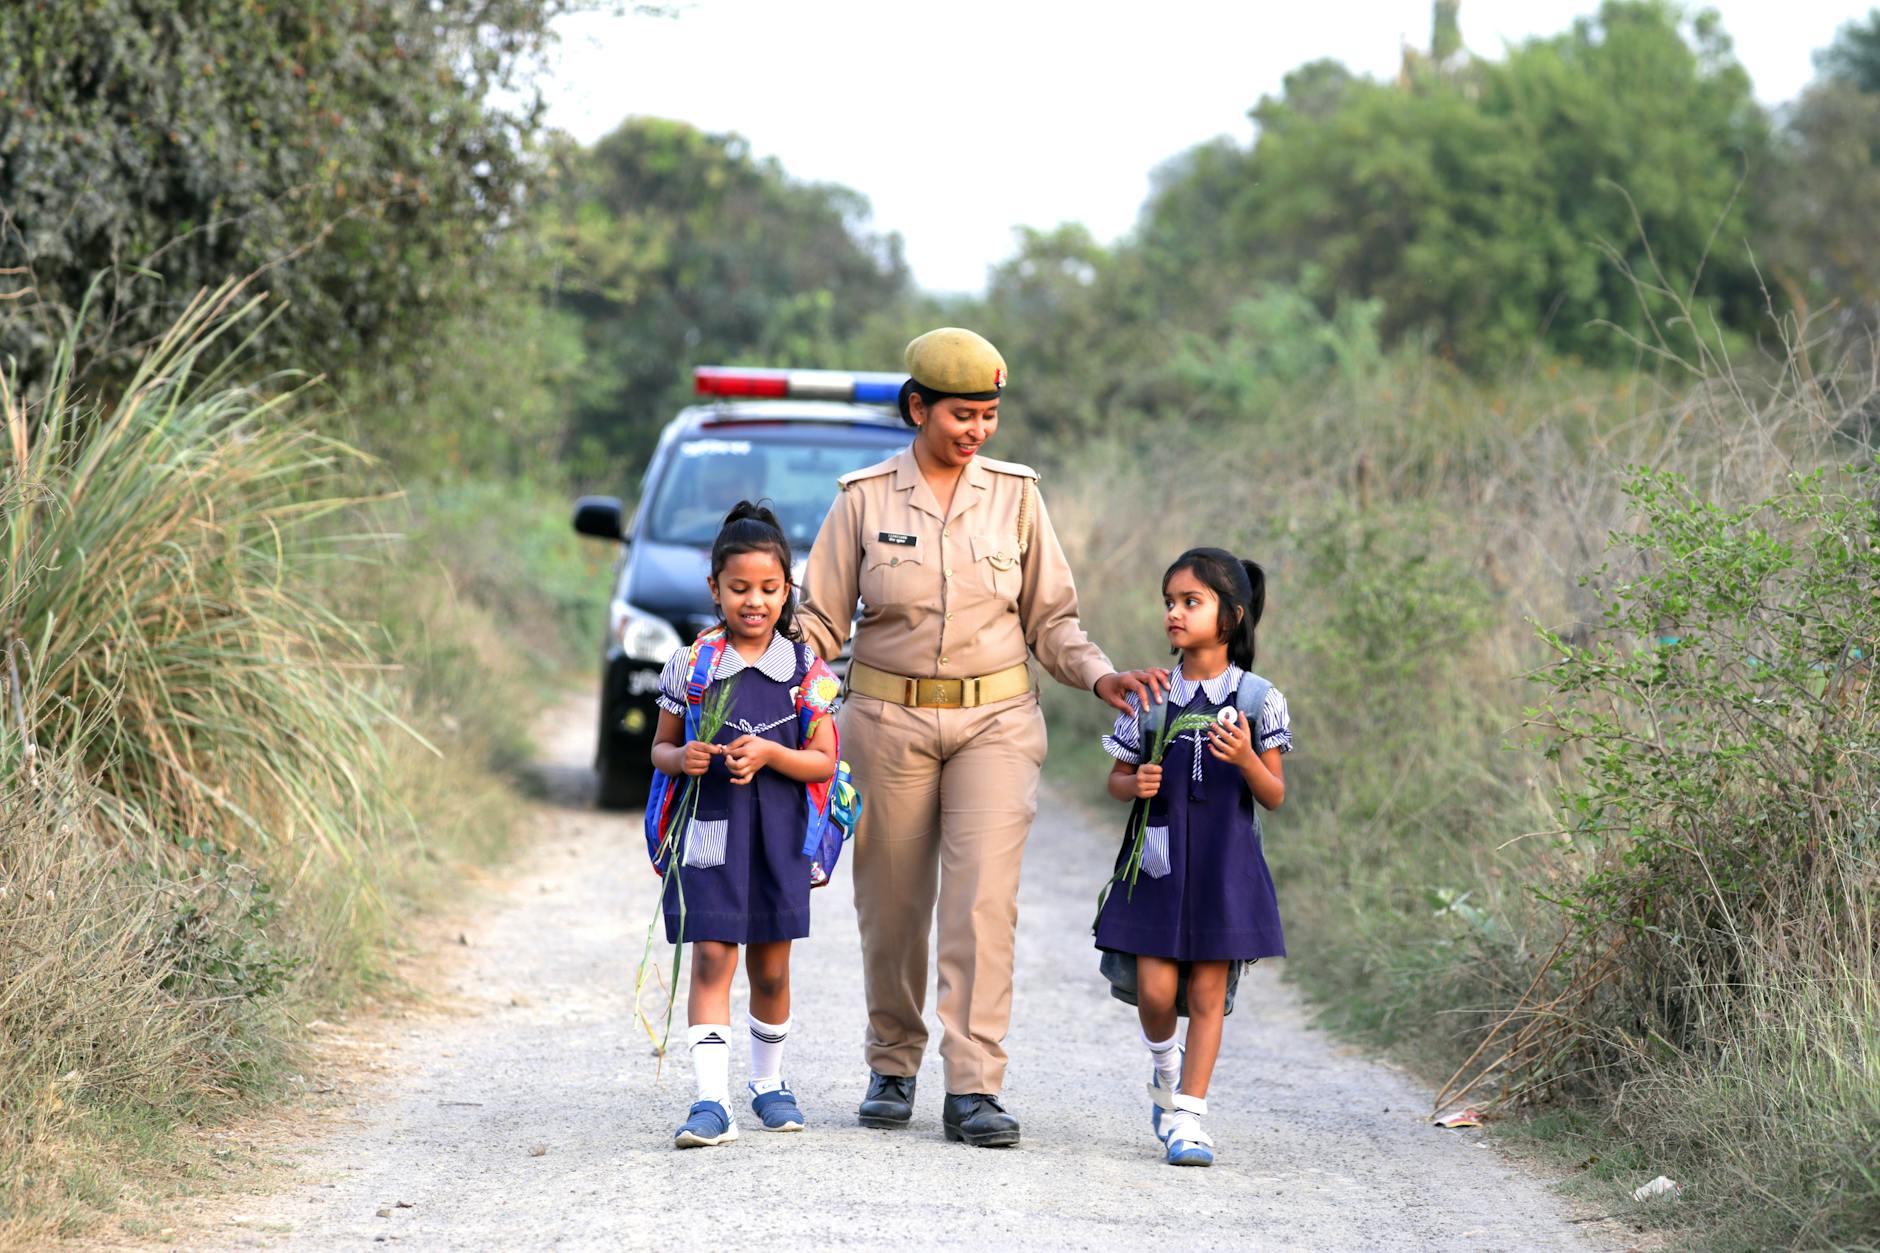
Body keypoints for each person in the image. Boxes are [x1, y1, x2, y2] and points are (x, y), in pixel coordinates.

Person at [796, 327, 1167, 1148]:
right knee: (892, 903)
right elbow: (819, 621)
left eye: (989, 415)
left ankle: (974, 1086)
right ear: (919, 407)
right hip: (885, 720)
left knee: (982, 904)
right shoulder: (862, 498)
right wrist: (761, 665)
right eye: (963, 414)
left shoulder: (1017, 495)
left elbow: (1053, 619)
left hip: (997, 720)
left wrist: (1100, 674)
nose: (977, 431)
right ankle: (892, 1061)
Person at [648, 502, 841, 1149]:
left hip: (779, 835)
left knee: (773, 970)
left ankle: (769, 1083)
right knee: (710, 957)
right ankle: (711, 1101)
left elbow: (824, 758)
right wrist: (686, 757)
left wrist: (772, 754)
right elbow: (661, 747)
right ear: (715, 589)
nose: (753, 601)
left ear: (788, 589)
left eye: (768, 588)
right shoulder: (692, 667)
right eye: (738, 588)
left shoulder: (807, 672)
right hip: (709, 830)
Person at [1094, 547, 1292, 1167]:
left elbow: (1275, 795)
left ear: (1230, 617)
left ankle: (1190, 1118)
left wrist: (1248, 760)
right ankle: (1166, 1069)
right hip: (1157, 863)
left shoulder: (1259, 700)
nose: (1174, 614)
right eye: (1169, 603)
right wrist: (1136, 784)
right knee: (1154, 993)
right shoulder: (1152, 696)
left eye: (1190, 602)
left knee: (1208, 993)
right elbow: (1116, 779)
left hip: (1223, 868)